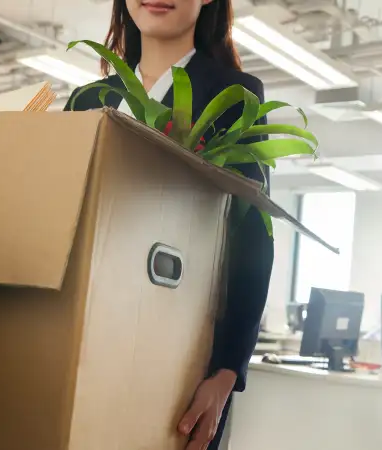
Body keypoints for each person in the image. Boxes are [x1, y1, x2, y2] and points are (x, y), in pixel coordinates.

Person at [63, 1, 273, 449]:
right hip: (83, 342)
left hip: (181, 355)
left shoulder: (234, 96)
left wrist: (226, 371)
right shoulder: (87, 100)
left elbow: (253, 239)